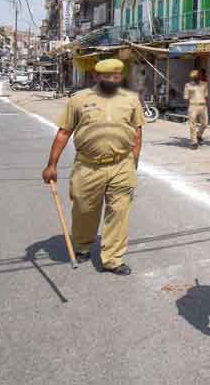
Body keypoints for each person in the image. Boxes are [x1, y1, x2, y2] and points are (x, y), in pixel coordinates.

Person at [41, 58, 144, 276]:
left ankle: (113, 259)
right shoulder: (78, 100)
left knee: (119, 212)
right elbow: (63, 133)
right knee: (84, 209)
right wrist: (52, 165)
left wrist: (134, 161)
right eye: (107, 76)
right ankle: (82, 246)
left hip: (121, 164)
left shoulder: (131, 100)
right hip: (87, 166)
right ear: (96, 77)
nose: (111, 80)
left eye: (116, 77)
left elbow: (137, 132)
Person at [184, 70, 208, 149]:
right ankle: (194, 142)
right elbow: (186, 98)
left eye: (198, 75)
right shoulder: (188, 85)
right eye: (196, 76)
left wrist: (206, 105)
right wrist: (189, 107)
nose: (198, 77)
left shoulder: (204, 84)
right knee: (192, 125)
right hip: (193, 106)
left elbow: (206, 96)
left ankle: (199, 135)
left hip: (203, 106)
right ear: (193, 77)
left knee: (205, 123)